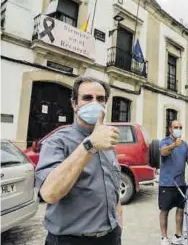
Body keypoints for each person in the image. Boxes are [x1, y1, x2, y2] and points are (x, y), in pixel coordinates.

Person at [35, 77, 122, 245]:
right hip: (70, 240)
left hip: (110, 237)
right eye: (87, 98)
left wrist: (118, 223)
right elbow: (49, 193)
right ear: (74, 104)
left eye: (101, 99)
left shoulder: (107, 142)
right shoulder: (57, 142)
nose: (95, 103)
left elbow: (113, 187)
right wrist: (90, 145)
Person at [159, 120, 188, 245]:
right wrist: (173, 146)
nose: (178, 129)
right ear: (170, 129)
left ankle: (178, 235)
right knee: (164, 210)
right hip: (166, 183)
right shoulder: (164, 142)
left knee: (180, 210)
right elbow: (163, 152)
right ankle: (164, 238)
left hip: (181, 183)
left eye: (180, 127)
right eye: (175, 127)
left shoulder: (184, 144)